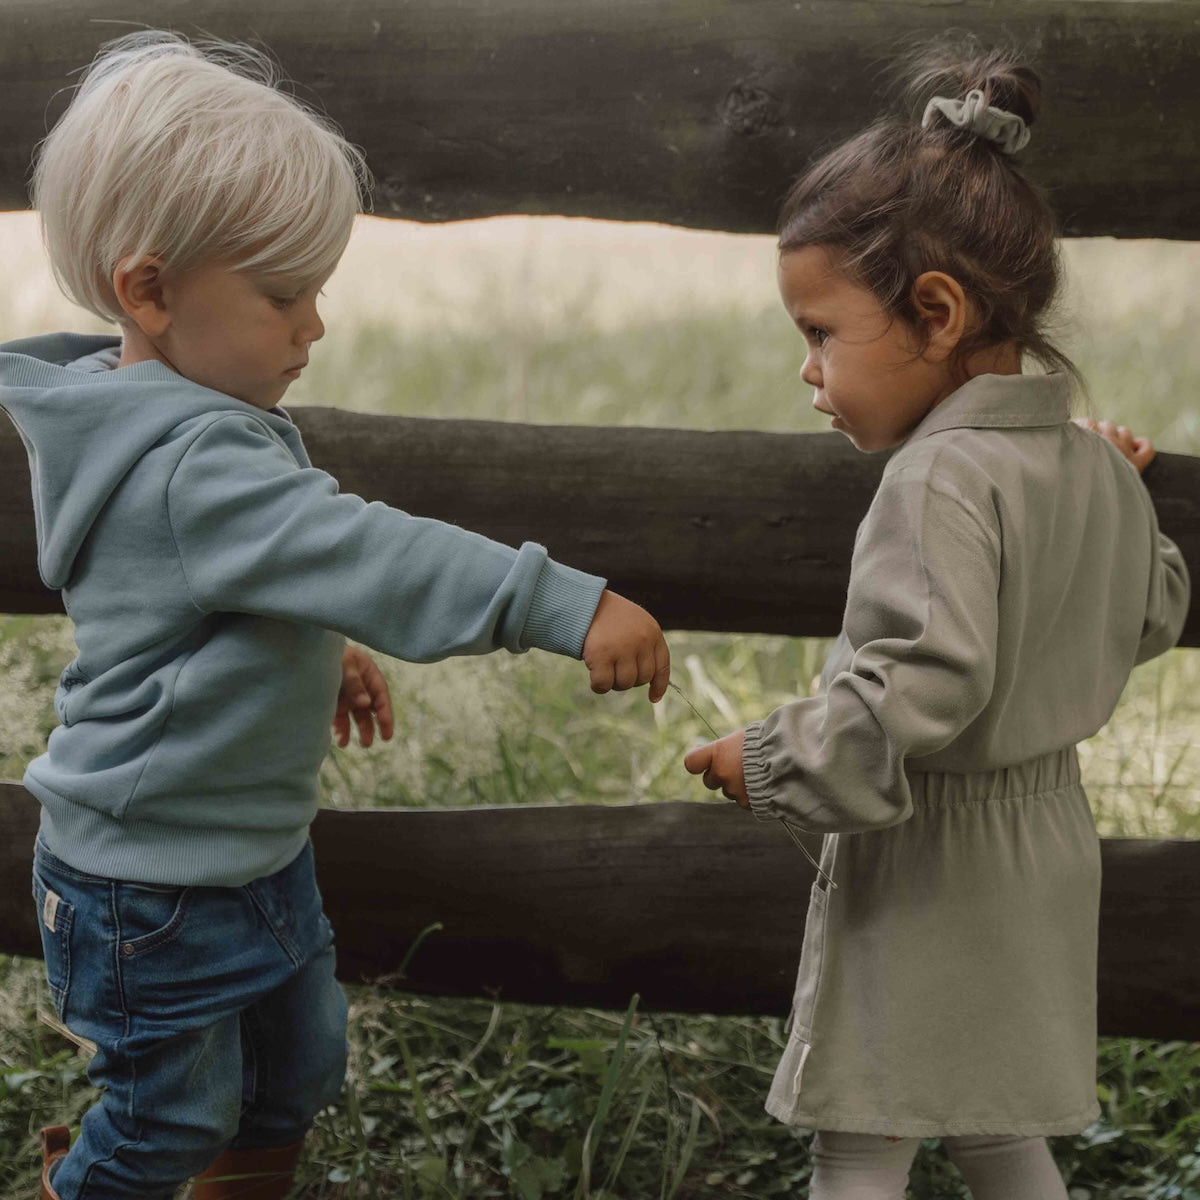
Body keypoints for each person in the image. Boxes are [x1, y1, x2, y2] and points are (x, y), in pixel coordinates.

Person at [0, 32, 670, 1200]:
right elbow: (366, 550)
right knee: (168, 1119)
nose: (314, 328)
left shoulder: (155, 423)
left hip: (242, 858)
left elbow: (217, 587)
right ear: (147, 290)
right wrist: (559, 601)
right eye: (283, 297)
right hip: (148, 887)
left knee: (291, 1075)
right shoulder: (189, 461)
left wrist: (314, 641)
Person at [683, 41, 1190, 1200]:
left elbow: (921, 687)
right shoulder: (1089, 469)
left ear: (938, 311)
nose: (808, 370)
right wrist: (1119, 495)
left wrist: (767, 757)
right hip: (1048, 848)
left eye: (819, 332)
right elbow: (1152, 610)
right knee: (998, 1123)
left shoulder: (935, 480)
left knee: (861, 1130)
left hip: (934, 851)